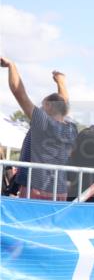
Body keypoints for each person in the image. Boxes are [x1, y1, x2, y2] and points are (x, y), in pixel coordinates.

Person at [3, 57, 77, 200]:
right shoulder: (71, 129)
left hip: (37, 190)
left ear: (49, 106)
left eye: (43, 106)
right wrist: (61, 82)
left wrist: (11, 65)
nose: (41, 109)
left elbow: (20, 94)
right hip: (60, 191)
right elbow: (63, 104)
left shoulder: (44, 124)